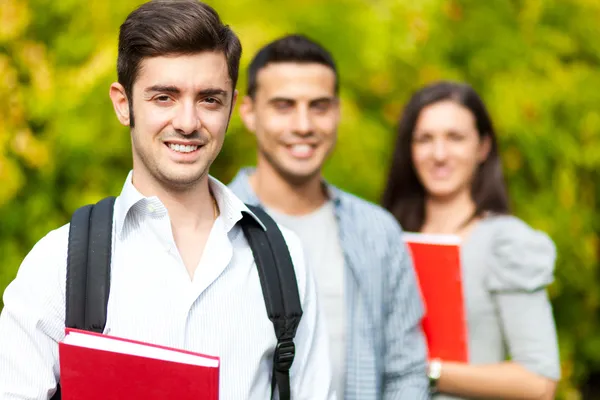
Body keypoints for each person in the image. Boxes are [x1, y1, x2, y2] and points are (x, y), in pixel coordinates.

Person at [0, 2, 334, 399]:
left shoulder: (284, 259)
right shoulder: (59, 264)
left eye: (209, 99)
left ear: (230, 107)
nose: (188, 122)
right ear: (123, 104)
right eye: (164, 97)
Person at [229, 34, 430, 399]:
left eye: (319, 106)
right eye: (284, 106)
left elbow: (407, 371)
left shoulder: (377, 231)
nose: (304, 125)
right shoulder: (213, 224)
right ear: (248, 113)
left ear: (337, 112)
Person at [381, 80, 561, 400]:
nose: (439, 154)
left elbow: (539, 381)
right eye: (425, 139)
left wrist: (424, 371)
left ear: (483, 147)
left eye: (455, 138)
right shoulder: (385, 235)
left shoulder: (506, 242)